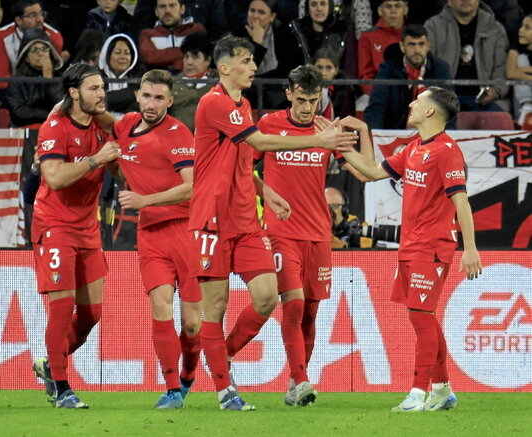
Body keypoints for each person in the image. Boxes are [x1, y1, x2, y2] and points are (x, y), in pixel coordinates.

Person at [189, 34, 358, 411]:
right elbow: (262, 144)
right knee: (214, 309)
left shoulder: (244, 104)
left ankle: (227, 354)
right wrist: (321, 141)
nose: (253, 67)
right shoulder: (214, 102)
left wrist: (265, 191)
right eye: (246, 61)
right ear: (225, 67)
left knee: (267, 298)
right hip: (212, 220)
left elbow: (245, 159)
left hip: (248, 220)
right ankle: (224, 390)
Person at [336, 86, 482, 412]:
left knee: (421, 316)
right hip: (411, 244)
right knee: (423, 316)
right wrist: (338, 146)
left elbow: (461, 201)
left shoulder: (446, 151)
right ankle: (442, 389)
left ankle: (418, 392)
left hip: (432, 247)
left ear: (431, 111)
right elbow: (373, 172)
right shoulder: (416, 147)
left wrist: (470, 248)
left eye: (419, 101)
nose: (412, 104)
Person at [255, 65, 373, 407]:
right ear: (289, 93)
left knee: (310, 312)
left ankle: (295, 382)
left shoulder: (327, 130)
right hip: (281, 232)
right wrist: (267, 195)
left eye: (314, 100)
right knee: (291, 305)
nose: (308, 108)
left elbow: (367, 173)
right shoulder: (268, 126)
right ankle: (303, 380)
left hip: (319, 234)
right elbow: (243, 167)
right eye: (302, 99)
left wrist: (363, 129)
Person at [108, 69, 202, 409]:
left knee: (192, 325)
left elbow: (192, 186)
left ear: (170, 101)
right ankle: (172, 387)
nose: (152, 103)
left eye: (159, 98)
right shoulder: (125, 126)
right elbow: (108, 138)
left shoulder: (178, 134)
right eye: (147, 95)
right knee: (160, 306)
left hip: (185, 231)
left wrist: (144, 200)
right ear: (137, 95)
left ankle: (189, 375)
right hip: (151, 236)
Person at [30, 63, 120, 409]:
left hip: (87, 228)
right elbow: (53, 177)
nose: (101, 94)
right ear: (73, 93)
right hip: (54, 225)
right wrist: (97, 160)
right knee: (62, 305)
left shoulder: (102, 126)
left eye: (103, 88)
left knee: (91, 314)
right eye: (94, 89)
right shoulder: (55, 128)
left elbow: (123, 155)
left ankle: (49, 364)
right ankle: (61, 387)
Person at [424, 0, 508, 111]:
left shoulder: (495, 28)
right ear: (449, 1)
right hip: (444, 100)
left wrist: (496, 90)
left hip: (484, 100)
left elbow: (500, 67)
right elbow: (427, 65)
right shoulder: (433, 26)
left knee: (500, 122)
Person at [365, 24, 451, 130]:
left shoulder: (441, 69)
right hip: (395, 132)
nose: (417, 50)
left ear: (428, 46)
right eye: (411, 45)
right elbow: (377, 108)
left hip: (432, 134)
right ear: (402, 46)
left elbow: (448, 110)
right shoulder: (388, 69)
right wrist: (376, 137)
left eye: (421, 44)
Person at [0, 0, 66, 90]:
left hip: (45, 89)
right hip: (13, 90)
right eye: (33, 15)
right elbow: (1, 82)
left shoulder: (54, 36)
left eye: (41, 14)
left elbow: (53, 76)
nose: (40, 20)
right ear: (19, 20)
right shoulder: (2, 36)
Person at [5, 28, 63, 126]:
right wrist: (48, 115)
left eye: (44, 49)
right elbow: (18, 112)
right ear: (26, 58)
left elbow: (63, 108)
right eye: (34, 50)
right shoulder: (16, 81)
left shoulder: (61, 78)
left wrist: (48, 79)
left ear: (50, 53)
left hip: (55, 128)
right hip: (25, 129)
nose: (40, 53)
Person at [138, 0, 206, 72]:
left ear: (182, 9)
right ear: (156, 11)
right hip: (158, 81)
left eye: (172, 5)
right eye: (162, 7)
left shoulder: (196, 30)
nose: (167, 11)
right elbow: (150, 58)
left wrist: (162, 58)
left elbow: (200, 58)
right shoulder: (147, 34)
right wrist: (184, 53)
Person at [357, 0, 408, 96]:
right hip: (377, 94)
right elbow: (365, 76)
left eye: (397, 6)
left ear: (405, 10)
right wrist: (379, 96)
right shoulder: (368, 36)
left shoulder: (412, 36)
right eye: (388, 6)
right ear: (380, 11)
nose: (393, 11)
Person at [169, 31, 215, 131]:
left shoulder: (220, 80)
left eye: (195, 57)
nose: (189, 62)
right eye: (186, 56)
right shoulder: (172, 83)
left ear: (208, 60)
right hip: (178, 139)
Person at [98, 33, 141, 116]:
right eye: (117, 52)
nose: (123, 57)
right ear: (107, 55)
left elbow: (144, 106)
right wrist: (131, 95)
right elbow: (95, 102)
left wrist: (111, 101)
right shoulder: (96, 77)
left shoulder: (139, 78)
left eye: (127, 53)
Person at [313, 48, 355, 120]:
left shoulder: (345, 90)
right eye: (319, 67)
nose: (324, 73)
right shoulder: (302, 88)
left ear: (336, 70)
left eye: (328, 68)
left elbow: (347, 118)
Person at [507, 14, 532, 126]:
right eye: (522, 26)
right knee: (521, 60)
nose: (521, 30)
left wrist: (523, 71)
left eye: (527, 28)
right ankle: (527, 107)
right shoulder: (515, 49)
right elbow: (511, 73)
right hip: (523, 102)